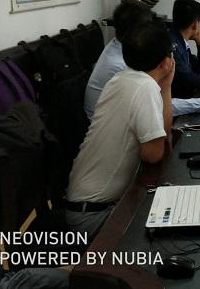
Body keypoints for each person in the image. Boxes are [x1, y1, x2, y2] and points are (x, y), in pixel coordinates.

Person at [65, 21, 175, 237]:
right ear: (166, 62)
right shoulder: (144, 87)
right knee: (169, 231)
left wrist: (166, 86)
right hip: (93, 215)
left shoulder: (122, 78)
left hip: (83, 204)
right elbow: (154, 154)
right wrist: (166, 86)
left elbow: (161, 137)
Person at [84, 2, 200, 120]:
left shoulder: (118, 46)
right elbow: (159, 106)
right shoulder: (122, 66)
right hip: (114, 130)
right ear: (138, 34)